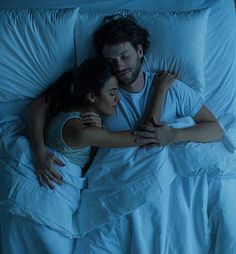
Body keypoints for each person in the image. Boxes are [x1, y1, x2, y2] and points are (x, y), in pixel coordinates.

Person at [29, 15, 223, 187]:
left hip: (167, 179)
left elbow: (216, 129)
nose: (119, 66)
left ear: (139, 51)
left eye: (124, 56)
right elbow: (41, 105)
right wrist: (38, 150)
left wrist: (175, 134)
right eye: (112, 60)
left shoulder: (170, 86)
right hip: (116, 181)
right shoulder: (97, 90)